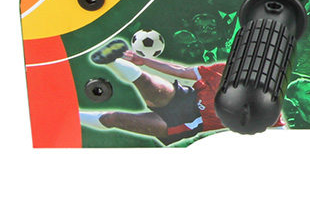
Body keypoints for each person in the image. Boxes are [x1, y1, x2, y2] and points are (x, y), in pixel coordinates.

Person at [82, 42, 230, 144]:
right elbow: (181, 71)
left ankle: (73, 117)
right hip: (186, 98)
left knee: (113, 118)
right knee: (146, 81)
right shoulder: (224, 70)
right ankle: (110, 60)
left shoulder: (244, 107)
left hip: (187, 122)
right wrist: (144, 61)